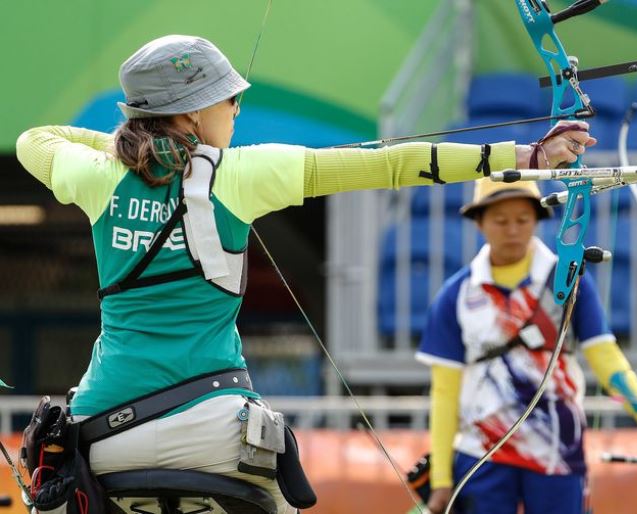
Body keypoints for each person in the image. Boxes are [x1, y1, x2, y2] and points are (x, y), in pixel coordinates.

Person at [15, 35, 597, 514]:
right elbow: (392, 162)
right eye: (228, 100)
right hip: (215, 429)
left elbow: (34, 139)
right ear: (191, 112)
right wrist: (527, 158)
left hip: (105, 433)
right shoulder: (243, 174)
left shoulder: (93, 176)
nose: (236, 109)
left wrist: (132, 152)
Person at [416, 178, 637, 514]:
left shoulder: (569, 280)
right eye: (500, 221)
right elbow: (445, 391)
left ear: (537, 220)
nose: (513, 230)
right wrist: (442, 479)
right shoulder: (456, 294)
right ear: (479, 222)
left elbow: (605, 358)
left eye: (523, 219)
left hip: (557, 448)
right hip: (481, 453)